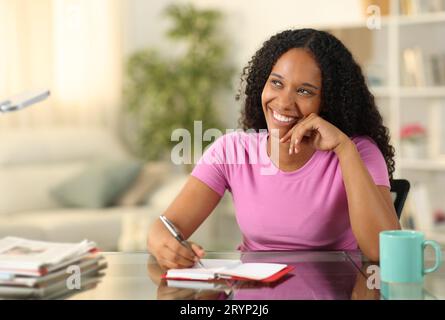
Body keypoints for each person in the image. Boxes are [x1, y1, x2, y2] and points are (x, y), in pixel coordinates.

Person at [147, 28, 400, 269]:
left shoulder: (358, 151)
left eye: (304, 91)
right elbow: (166, 227)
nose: (284, 102)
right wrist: (163, 245)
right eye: (277, 83)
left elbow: (383, 251)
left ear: (328, 102)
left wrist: (345, 150)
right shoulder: (232, 151)